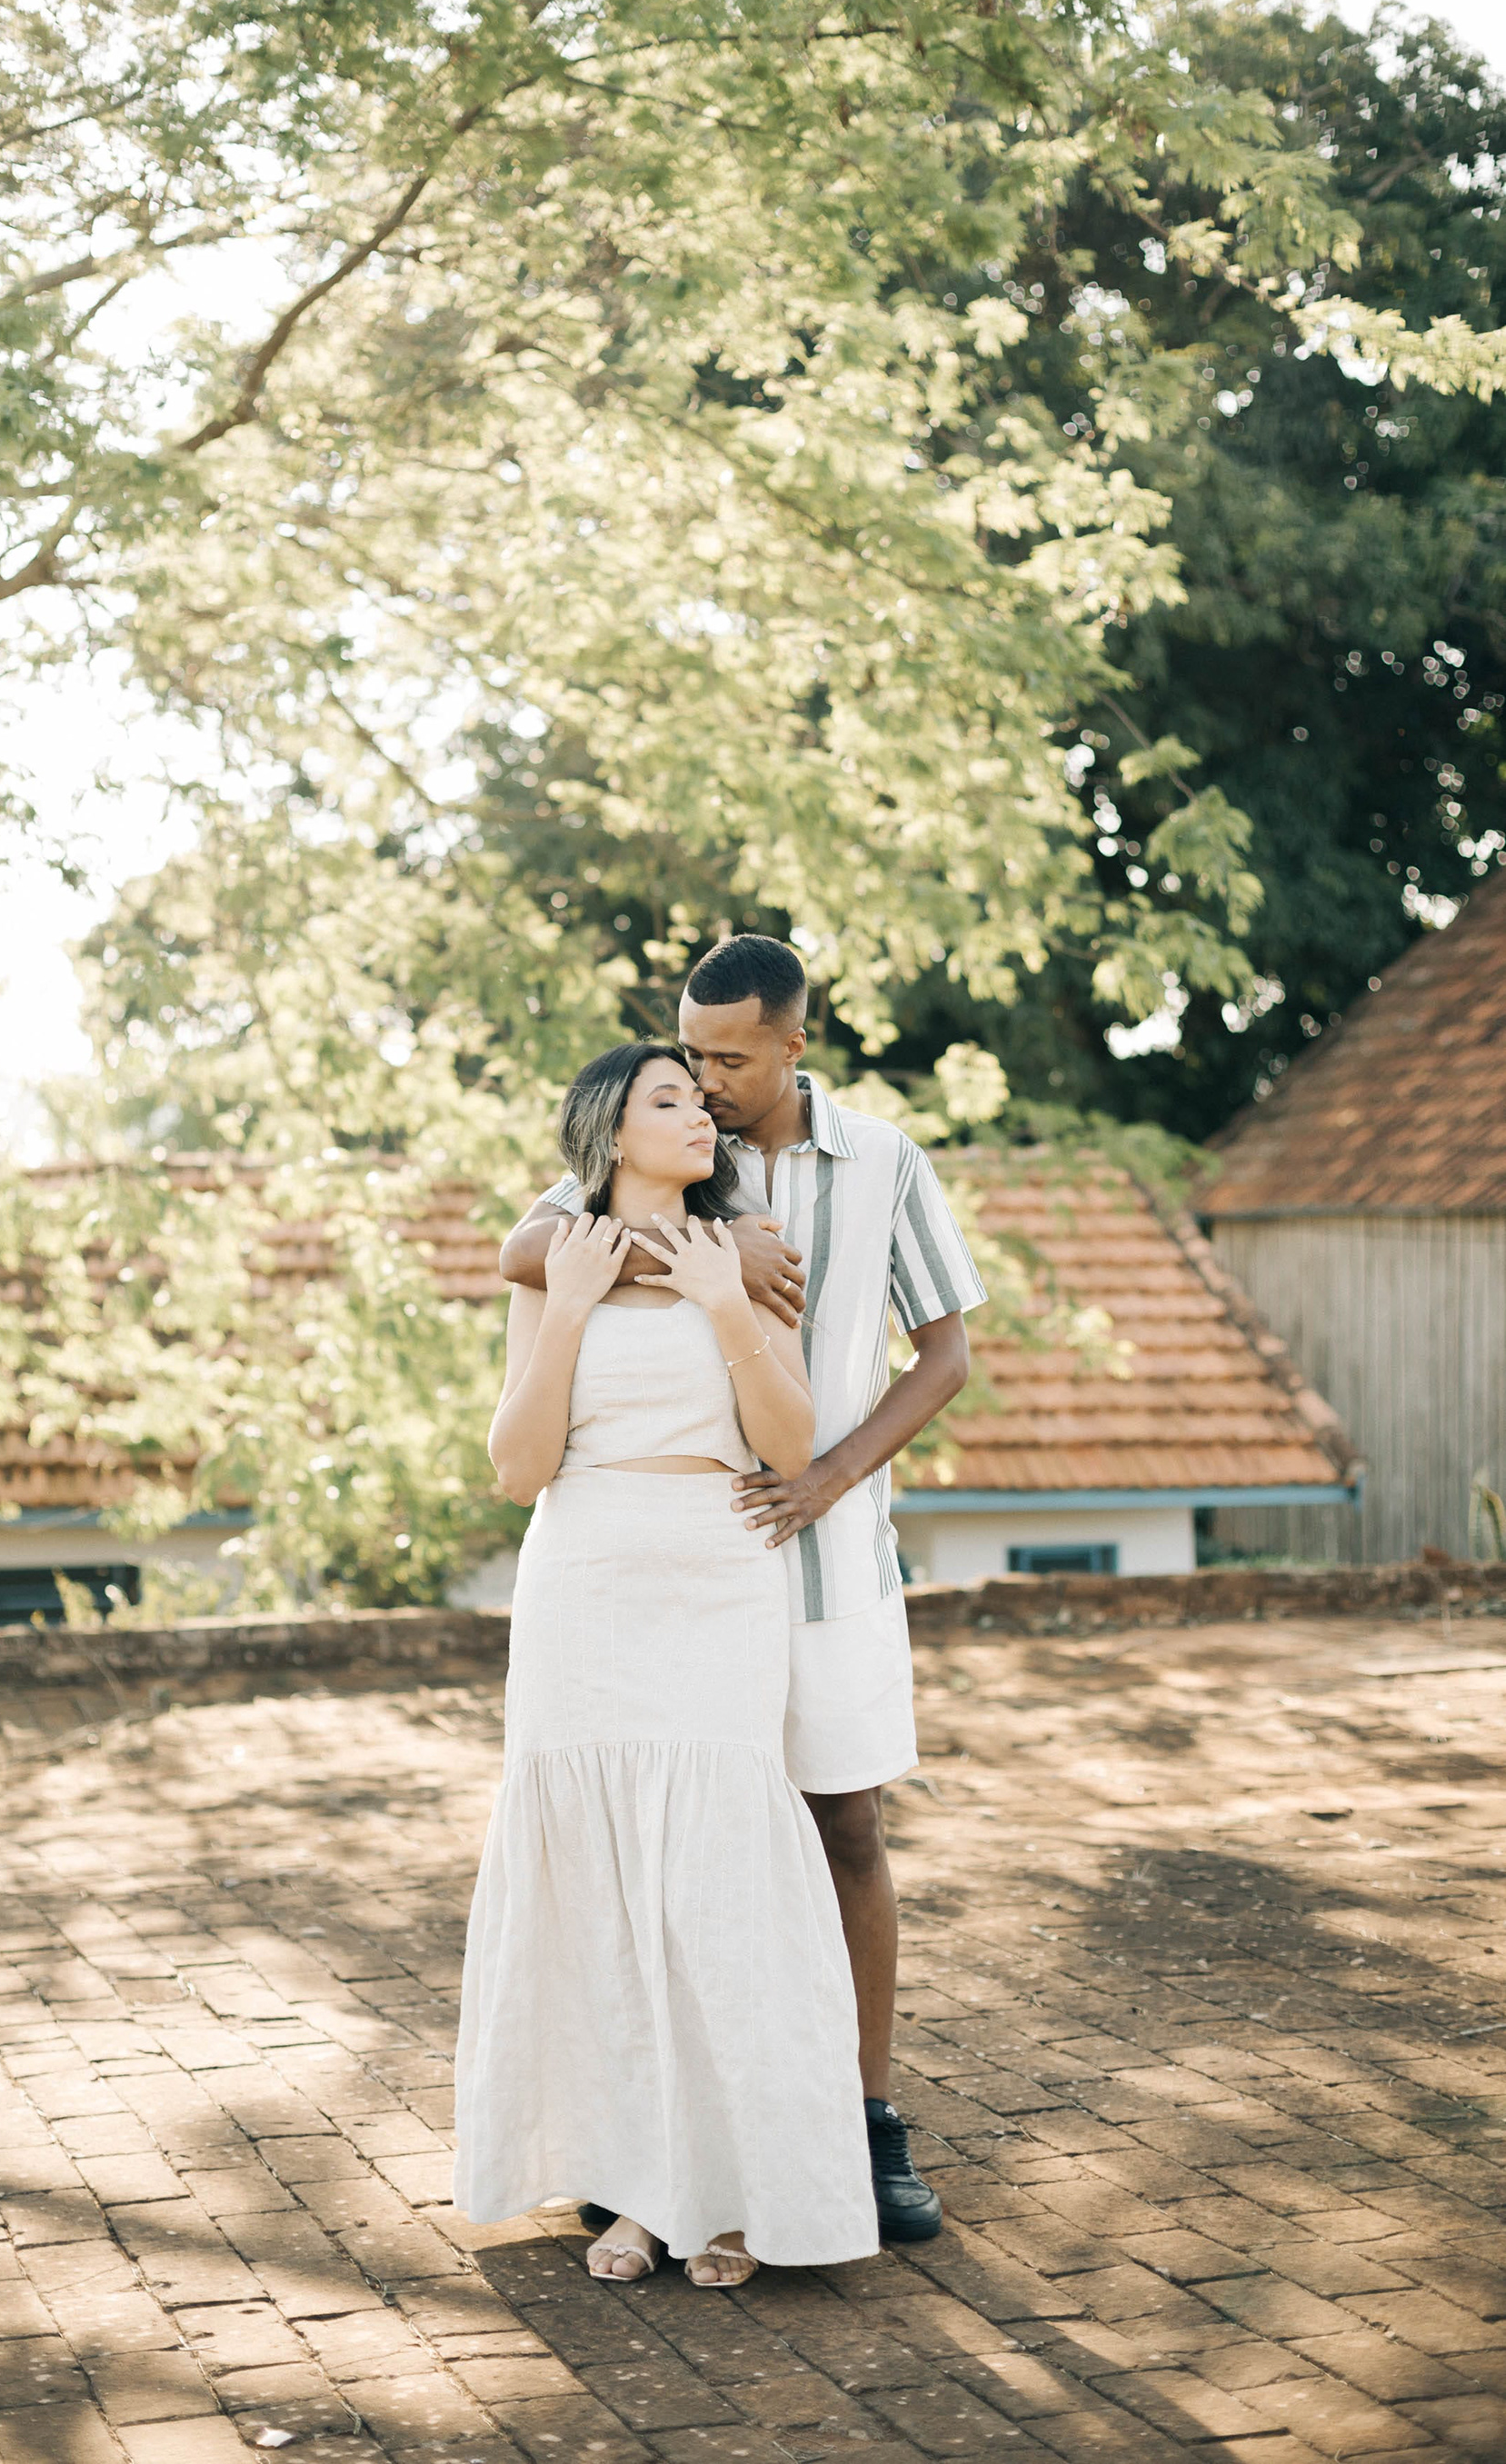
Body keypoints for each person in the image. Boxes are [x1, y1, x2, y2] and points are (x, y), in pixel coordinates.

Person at [498, 935, 985, 2243]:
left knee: (845, 1831)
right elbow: (530, 1249)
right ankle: (658, 2136)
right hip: (678, 1563)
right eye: (689, 1055)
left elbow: (944, 1357)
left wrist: (827, 1479)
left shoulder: (883, 1162)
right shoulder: (671, 1144)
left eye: (726, 1058)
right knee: (672, 1842)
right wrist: (694, 1258)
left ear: (792, 1043)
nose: (705, 1081)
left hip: (822, 1555)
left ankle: (864, 2121)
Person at [454, 1041, 878, 2288]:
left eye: (701, 1098)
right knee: (600, 1891)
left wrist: (727, 1302)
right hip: (584, 1574)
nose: (700, 1113)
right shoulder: (560, 1256)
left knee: (715, 1889)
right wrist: (570, 1307)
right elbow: (518, 1468)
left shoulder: (744, 1250)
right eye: (669, 1099)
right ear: (610, 1128)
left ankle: (734, 2193)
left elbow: (791, 1441)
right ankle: (639, 2193)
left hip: (715, 1569)